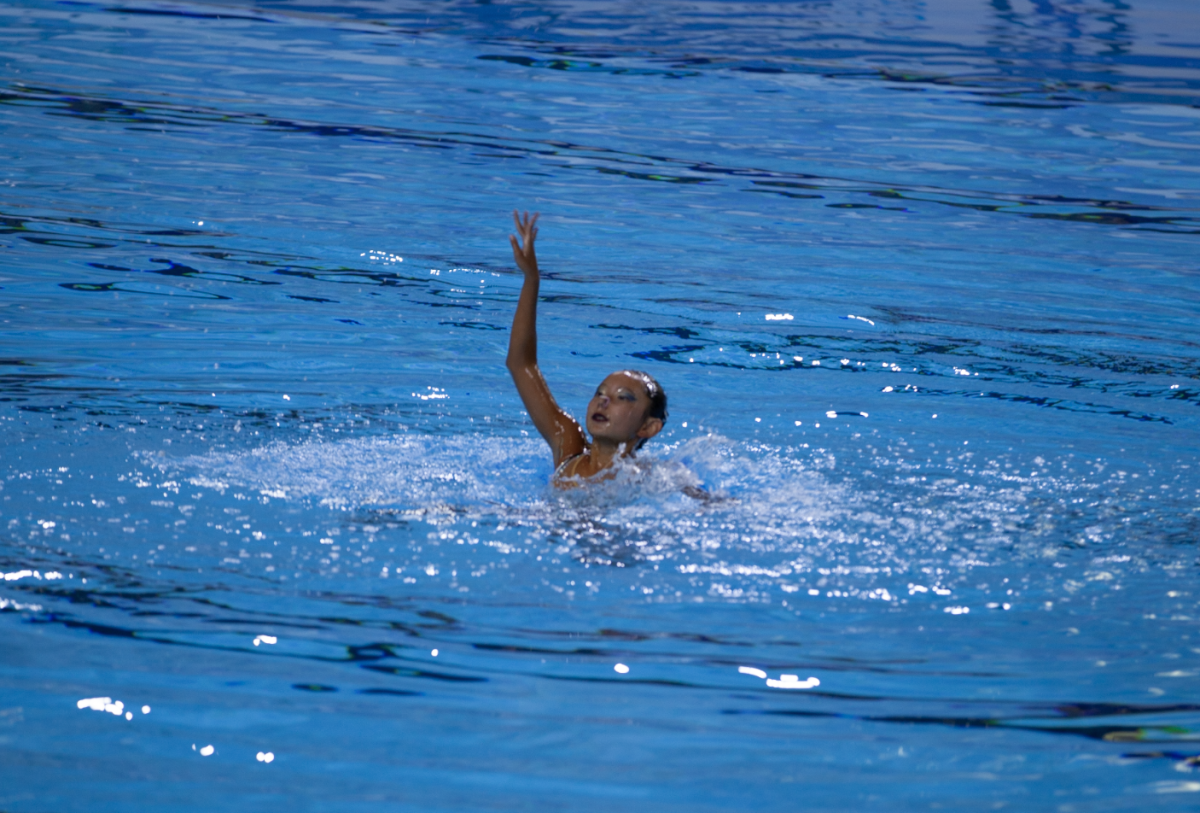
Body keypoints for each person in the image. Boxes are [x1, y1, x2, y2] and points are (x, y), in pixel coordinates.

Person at [506, 210, 668, 484]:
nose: (604, 400)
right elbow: (520, 364)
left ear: (648, 427)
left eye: (623, 397)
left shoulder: (650, 478)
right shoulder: (567, 446)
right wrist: (531, 280)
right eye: (600, 392)